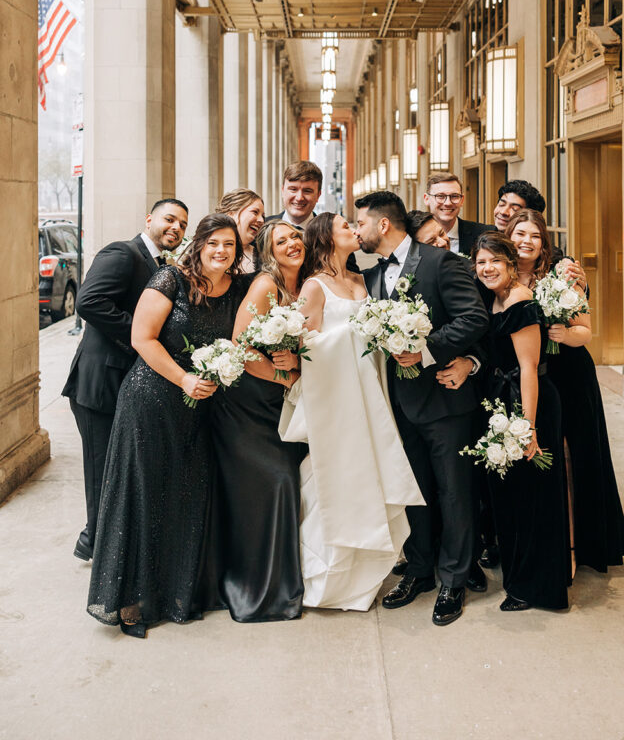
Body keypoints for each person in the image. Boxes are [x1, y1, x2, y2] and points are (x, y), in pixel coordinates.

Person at [87, 213, 247, 637]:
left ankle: (178, 590)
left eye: (228, 245)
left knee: (186, 493)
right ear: (198, 245)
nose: (220, 251)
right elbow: (142, 338)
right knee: (143, 494)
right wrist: (184, 378)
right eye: (213, 243)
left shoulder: (237, 291)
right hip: (151, 398)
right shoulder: (170, 279)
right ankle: (133, 596)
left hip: (200, 409)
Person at [355, 191, 489, 626]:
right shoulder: (373, 276)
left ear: (383, 225)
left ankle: (453, 579)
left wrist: (425, 349)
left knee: (454, 492)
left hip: (445, 401)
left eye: (361, 224)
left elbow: (473, 319)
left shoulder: (440, 262)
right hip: (397, 404)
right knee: (413, 492)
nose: (357, 231)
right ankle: (419, 570)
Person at [279, 212, 423, 612]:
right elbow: (306, 346)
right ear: (327, 237)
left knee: (371, 472)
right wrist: (361, 332)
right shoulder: (314, 286)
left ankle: (365, 574)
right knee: (338, 475)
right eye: (346, 226)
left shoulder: (362, 280)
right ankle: (326, 577)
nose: (354, 231)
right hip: (337, 397)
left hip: (370, 390)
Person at [505, 210, 624, 573]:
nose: (526, 241)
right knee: (539, 461)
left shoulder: (561, 276)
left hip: (569, 374)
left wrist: (565, 335)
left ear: (544, 243)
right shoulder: (501, 274)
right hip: (527, 377)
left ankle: (579, 546)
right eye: (520, 234)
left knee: (575, 458)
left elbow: (586, 330)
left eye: (534, 236)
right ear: (509, 236)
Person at [62, 198, 189, 562]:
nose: (175, 228)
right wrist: (140, 336)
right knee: (102, 471)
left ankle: (96, 539)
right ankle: (98, 548)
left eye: (182, 223)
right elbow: (88, 302)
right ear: (149, 219)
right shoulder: (123, 252)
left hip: (123, 383)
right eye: (169, 219)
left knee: (116, 470)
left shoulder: (160, 263)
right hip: (98, 383)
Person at [208, 220, 307, 623]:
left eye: (295, 237)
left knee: (293, 480)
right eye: (281, 241)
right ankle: (260, 588)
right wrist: (287, 375)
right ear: (268, 252)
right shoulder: (266, 286)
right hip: (248, 406)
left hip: (287, 405)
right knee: (277, 482)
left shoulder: (310, 284)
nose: (292, 244)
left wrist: (299, 366)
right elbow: (241, 346)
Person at [472, 231, 570, 611]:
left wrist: (527, 430)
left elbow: (529, 369)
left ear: (512, 264)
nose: (488, 268)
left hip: (530, 402)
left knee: (534, 499)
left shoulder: (521, 301)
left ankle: (537, 588)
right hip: (501, 400)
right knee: (510, 498)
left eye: (495, 260)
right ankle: (518, 579)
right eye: (481, 262)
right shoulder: (494, 297)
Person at [423, 171, 489, 254]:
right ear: (426, 199)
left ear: (462, 200)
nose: (448, 203)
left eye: (454, 196)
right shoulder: (414, 238)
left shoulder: (484, 234)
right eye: (440, 196)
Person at [216, 188, 265, 272]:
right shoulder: (203, 252)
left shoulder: (264, 259)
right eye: (255, 212)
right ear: (230, 214)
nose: (261, 220)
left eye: (263, 216)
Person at [267, 160, 323, 229]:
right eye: (293, 189)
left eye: (307, 191)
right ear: (282, 191)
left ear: (318, 195)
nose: (299, 198)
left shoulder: (329, 233)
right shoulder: (261, 228)